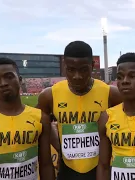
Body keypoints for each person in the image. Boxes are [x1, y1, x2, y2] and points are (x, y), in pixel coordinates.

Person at [36, 41, 122, 180]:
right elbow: (42, 125)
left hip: (101, 169)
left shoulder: (110, 93)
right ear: (64, 66)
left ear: (92, 66)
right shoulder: (49, 95)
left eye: (83, 69)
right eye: (71, 69)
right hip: (67, 170)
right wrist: (60, 148)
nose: (77, 76)